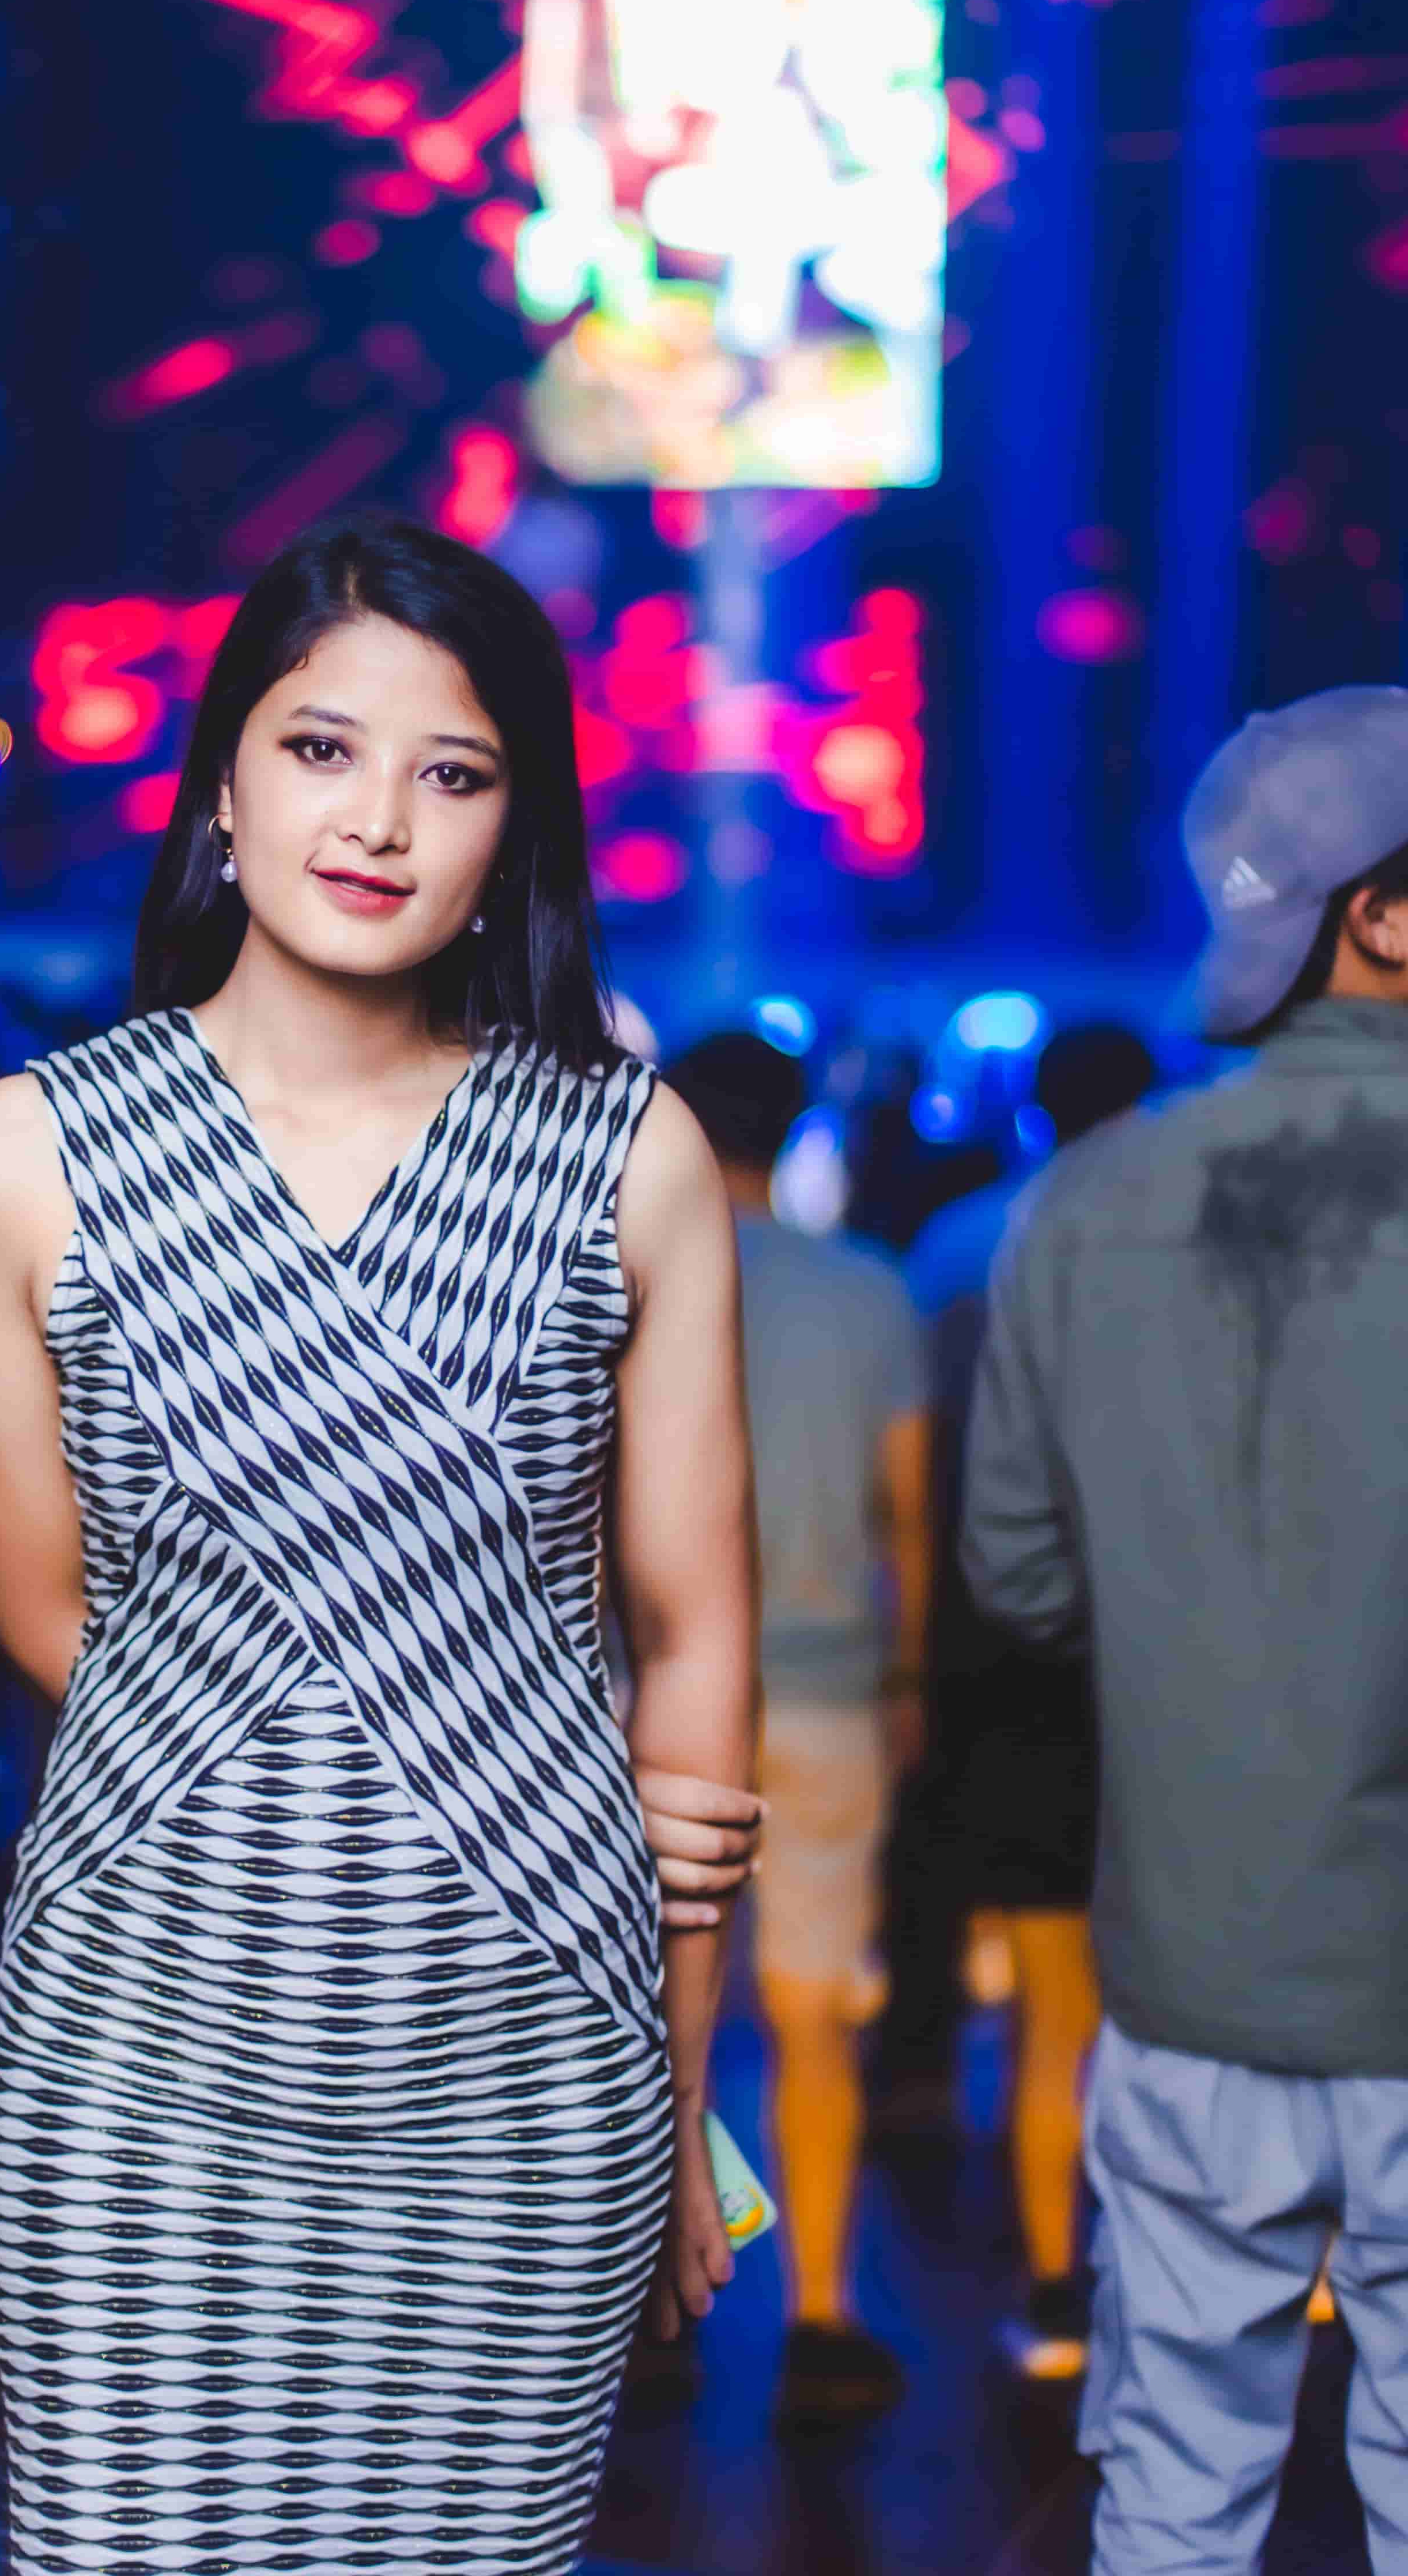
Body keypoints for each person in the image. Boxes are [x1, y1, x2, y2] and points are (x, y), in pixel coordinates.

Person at [0, 512, 762, 2576]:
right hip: (136, 2077)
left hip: (525, 2082)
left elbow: (696, 1652)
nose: (378, 820)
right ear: (222, 784)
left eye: (451, 773)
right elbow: (52, 1626)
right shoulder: (25, 1157)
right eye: (320, 750)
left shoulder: (623, 1154)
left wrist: (674, 2098)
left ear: (514, 824)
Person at [964, 684, 1408, 2576]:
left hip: (1189, 1969)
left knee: (1170, 2493)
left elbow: (1014, 1576)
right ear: (1382, 914)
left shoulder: (1081, 1204)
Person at [881, 1023, 1158, 2382]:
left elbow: (924, 1454)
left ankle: (1057, 2290)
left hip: (1007, 1644)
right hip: (1179, 1654)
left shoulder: (959, 1246)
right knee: (1194, 2011)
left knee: (1055, 2007)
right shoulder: (1202, 1238)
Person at [663, 1028, 931, 2432]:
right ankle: (822, 2307)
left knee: (654, 2026)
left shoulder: (625, 1275)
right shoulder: (869, 1291)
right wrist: (910, 1680)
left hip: (647, 1705)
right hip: (826, 1692)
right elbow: (910, 1517)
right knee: (816, 2017)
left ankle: (650, 2303)